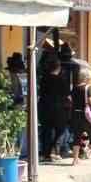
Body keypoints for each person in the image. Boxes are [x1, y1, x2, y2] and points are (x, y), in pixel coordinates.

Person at [36, 31, 62, 161]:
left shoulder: (44, 78)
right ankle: (52, 151)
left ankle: (47, 152)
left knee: (46, 130)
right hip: (55, 107)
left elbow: (41, 91)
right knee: (57, 130)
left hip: (44, 105)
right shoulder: (58, 79)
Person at [70, 65, 91, 162]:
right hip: (86, 115)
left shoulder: (74, 88)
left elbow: (70, 100)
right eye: (90, 78)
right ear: (86, 78)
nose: (90, 80)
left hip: (75, 115)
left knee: (76, 137)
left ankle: (75, 160)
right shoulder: (88, 87)